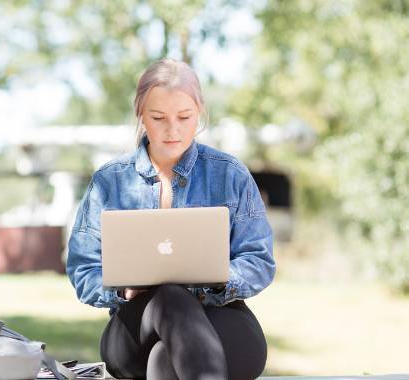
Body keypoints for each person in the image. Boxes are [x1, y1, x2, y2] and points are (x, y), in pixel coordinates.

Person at [66, 58, 276, 380]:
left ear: (200, 112)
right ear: (140, 114)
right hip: (134, 327)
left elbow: (259, 260)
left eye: (184, 117)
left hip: (218, 314)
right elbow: (83, 267)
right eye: (158, 117)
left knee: (166, 360)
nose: (173, 129)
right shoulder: (109, 181)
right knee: (169, 298)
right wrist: (123, 291)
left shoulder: (230, 174)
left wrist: (220, 276)